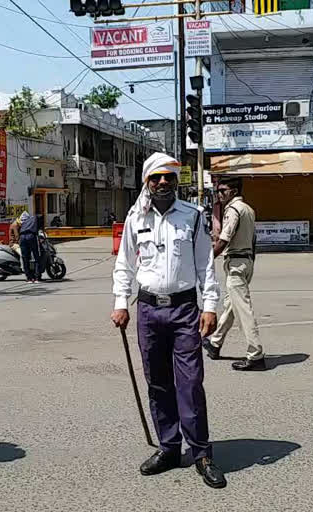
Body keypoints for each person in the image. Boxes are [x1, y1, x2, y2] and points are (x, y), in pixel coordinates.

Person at [111, 152, 226, 489]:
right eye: (156, 177)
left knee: (190, 383)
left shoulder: (192, 216)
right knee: (158, 383)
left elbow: (206, 264)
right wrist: (121, 303)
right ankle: (170, 448)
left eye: (169, 177)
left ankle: (202, 452)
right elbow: (125, 265)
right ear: (146, 182)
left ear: (177, 181)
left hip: (184, 310)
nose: (163, 182)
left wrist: (211, 306)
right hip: (148, 311)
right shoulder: (135, 219)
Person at [202, 178, 265, 371]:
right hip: (245, 261)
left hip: (237, 263)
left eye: (222, 190)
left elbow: (223, 240)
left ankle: (255, 354)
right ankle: (215, 343)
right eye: (217, 191)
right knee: (231, 306)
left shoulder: (234, 210)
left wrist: (205, 261)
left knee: (243, 310)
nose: (219, 194)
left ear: (233, 191)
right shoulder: (248, 209)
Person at [18, 211, 42, 283]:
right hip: (31, 236)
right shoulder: (34, 218)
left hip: (22, 237)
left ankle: (29, 278)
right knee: (36, 256)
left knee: (25, 258)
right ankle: (37, 277)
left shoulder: (22, 221)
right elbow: (39, 227)